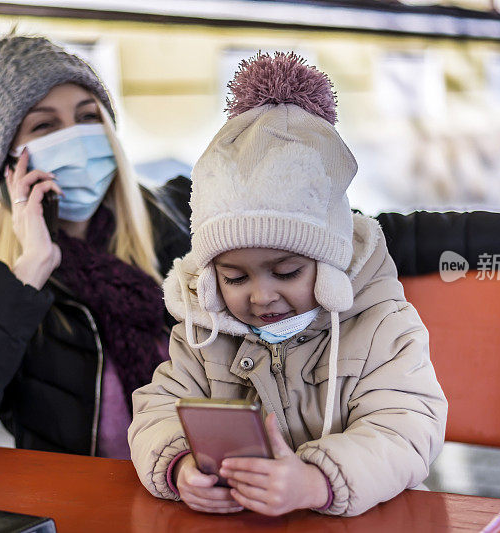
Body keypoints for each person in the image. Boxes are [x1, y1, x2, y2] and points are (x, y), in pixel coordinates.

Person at [0, 34, 500, 459]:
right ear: (7, 166)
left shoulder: (183, 216)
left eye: (89, 117)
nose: (77, 137)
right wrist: (29, 269)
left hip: (232, 492)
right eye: (45, 126)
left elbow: (341, 228)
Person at [128, 52, 446, 517]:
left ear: (330, 260)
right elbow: (156, 410)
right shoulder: (204, 335)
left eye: (287, 271)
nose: (261, 296)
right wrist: (179, 466)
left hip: (371, 518)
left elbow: (406, 428)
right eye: (235, 277)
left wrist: (318, 482)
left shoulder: (382, 326)